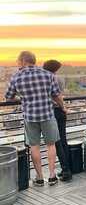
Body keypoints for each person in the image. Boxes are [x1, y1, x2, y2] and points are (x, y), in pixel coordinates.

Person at [5, 51, 64, 187]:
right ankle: (52, 175)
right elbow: (56, 96)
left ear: (23, 61)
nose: (17, 64)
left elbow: (8, 97)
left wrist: (22, 98)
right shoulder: (48, 75)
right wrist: (63, 107)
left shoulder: (16, 77)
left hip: (30, 117)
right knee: (51, 145)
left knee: (34, 146)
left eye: (18, 61)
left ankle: (39, 177)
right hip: (48, 115)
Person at [43, 60, 72, 182]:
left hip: (52, 111)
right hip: (60, 111)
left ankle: (66, 170)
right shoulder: (59, 79)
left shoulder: (45, 79)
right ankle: (68, 168)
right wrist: (64, 107)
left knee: (57, 142)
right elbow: (60, 95)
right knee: (63, 140)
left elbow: (54, 96)